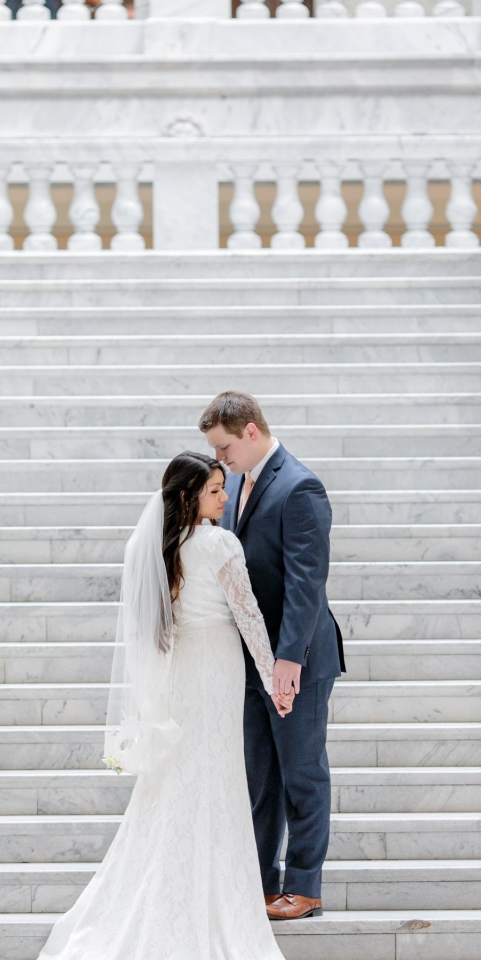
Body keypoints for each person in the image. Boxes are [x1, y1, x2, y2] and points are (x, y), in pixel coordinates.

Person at [0, 452, 294, 960]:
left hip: (181, 675)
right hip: (217, 669)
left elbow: (158, 628)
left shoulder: (158, 547)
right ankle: (214, 914)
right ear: (191, 497)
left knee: (178, 784)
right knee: (218, 780)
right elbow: (249, 616)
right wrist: (274, 677)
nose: (225, 500)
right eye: (217, 491)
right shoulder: (221, 546)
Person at [200, 392, 345, 921]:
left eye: (225, 447)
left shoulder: (300, 486)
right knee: (258, 778)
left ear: (252, 432)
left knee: (302, 773)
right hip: (249, 659)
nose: (220, 459)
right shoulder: (235, 481)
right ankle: (260, 884)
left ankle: (304, 887)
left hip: (295, 660)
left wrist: (289, 662)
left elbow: (307, 585)